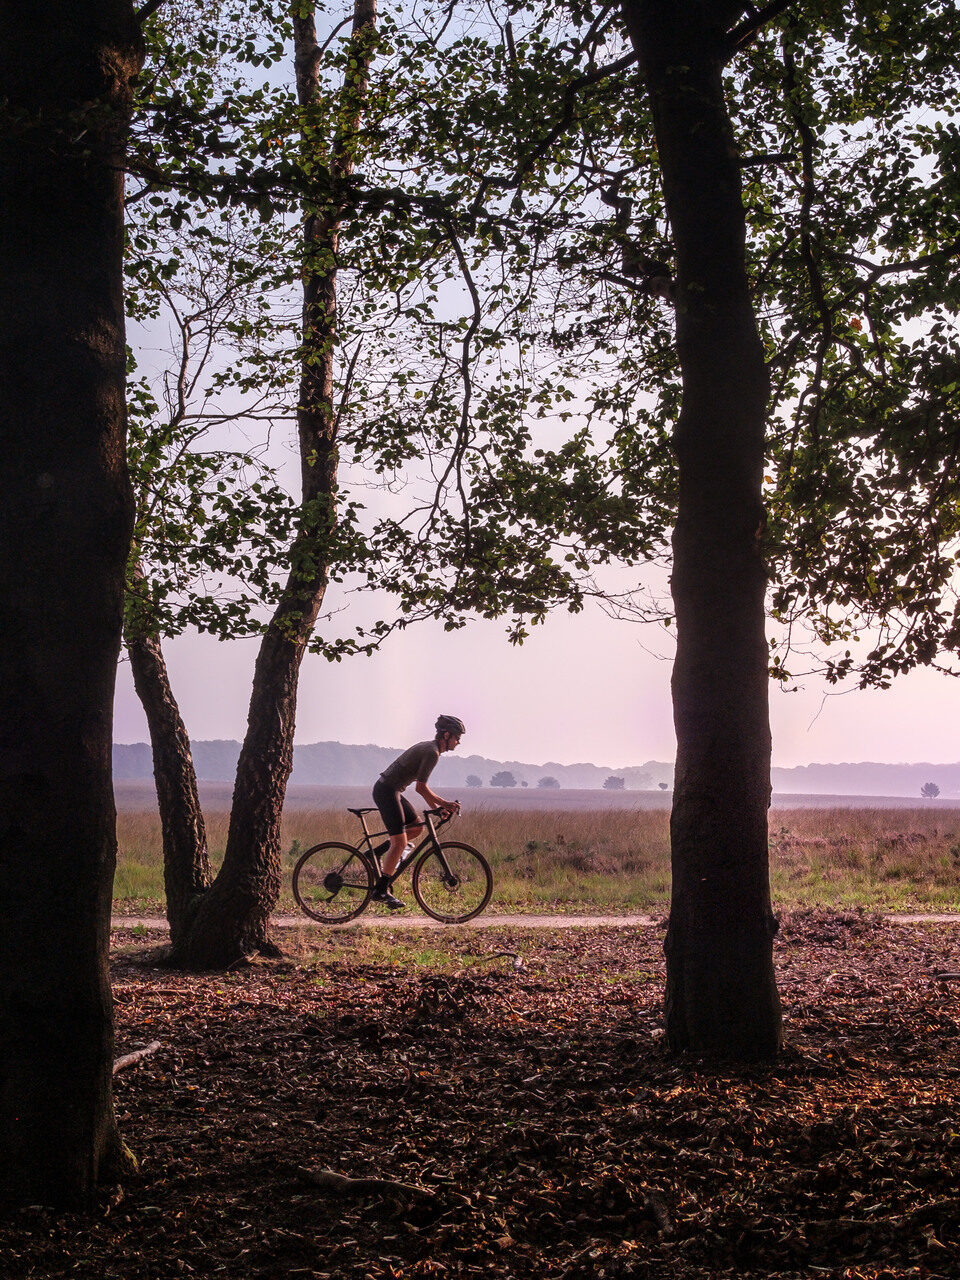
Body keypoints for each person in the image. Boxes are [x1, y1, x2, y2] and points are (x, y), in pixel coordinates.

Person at [371, 715, 464, 909]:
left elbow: (422, 788)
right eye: (457, 736)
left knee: (415, 828)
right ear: (446, 735)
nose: (459, 741)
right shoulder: (432, 753)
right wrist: (444, 803)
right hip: (387, 791)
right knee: (400, 842)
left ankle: (375, 854)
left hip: (392, 789)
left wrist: (437, 808)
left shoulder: (431, 748)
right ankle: (380, 890)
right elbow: (421, 788)